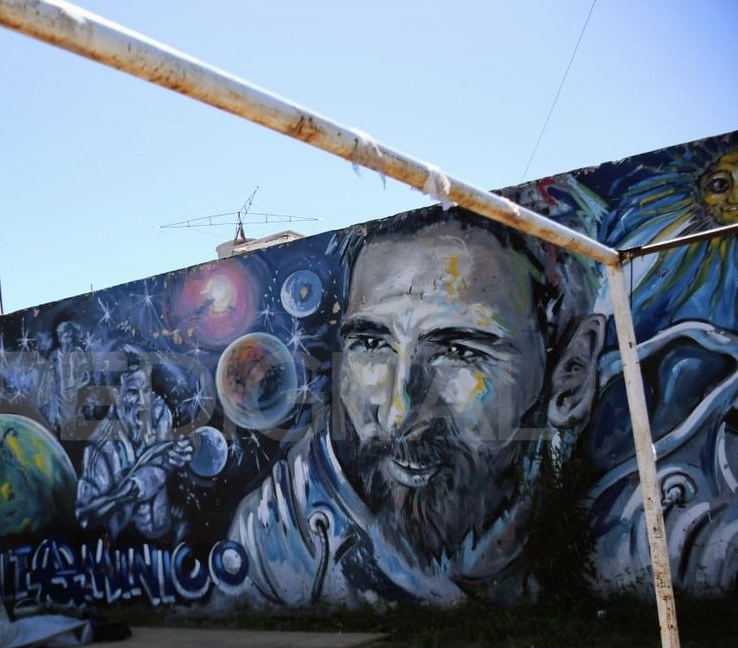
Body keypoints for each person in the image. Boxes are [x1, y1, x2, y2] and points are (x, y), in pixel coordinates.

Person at [226, 207, 604, 606]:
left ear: (570, 374)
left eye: (459, 351)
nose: (397, 416)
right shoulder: (278, 532)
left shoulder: (633, 520)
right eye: (371, 344)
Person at [75, 352, 193, 548]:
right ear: (114, 394)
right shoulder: (100, 449)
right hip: (124, 552)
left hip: (166, 539)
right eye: (132, 392)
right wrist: (131, 490)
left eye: (146, 390)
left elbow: (164, 461)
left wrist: (176, 454)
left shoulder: (158, 413)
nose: (141, 401)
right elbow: (85, 516)